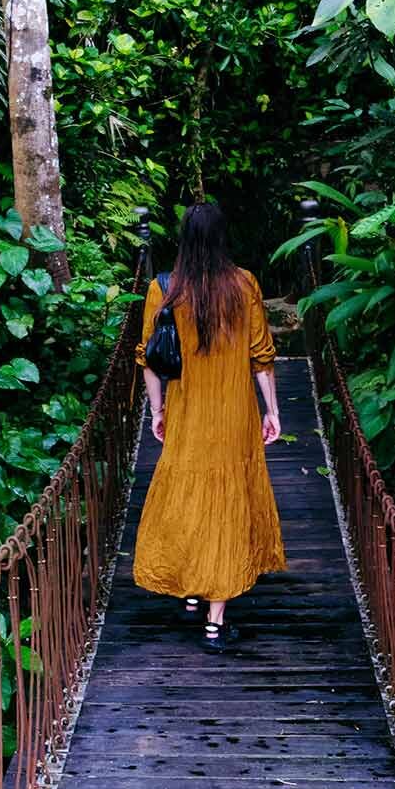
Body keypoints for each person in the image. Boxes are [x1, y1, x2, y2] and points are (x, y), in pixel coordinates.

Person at [133, 203, 286, 652]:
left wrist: (157, 411)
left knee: (190, 493)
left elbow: (149, 359)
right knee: (227, 502)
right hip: (233, 413)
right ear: (223, 238)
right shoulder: (244, 284)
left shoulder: (165, 289)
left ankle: (194, 588)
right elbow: (262, 355)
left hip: (187, 411)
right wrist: (272, 410)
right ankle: (215, 623)